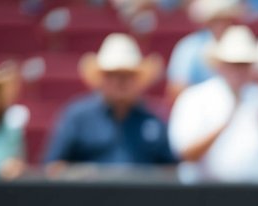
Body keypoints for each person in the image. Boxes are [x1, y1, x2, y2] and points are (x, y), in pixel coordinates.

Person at [169, 25, 258, 182]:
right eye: (232, 63)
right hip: (207, 196)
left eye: (243, 64)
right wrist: (224, 123)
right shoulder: (194, 98)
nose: (238, 70)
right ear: (219, 65)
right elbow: (186, 154)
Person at [43, 34, 174, 169]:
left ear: (138, 79)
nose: (121, 82)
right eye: (113, 75)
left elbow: (170, 171)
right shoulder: (77, 117)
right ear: (101, 78)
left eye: (128, 75)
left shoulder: (155, 118)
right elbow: (53, 167)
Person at [165, 0, 244, 101]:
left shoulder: (240, 44)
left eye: (226, 19)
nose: (222, 24)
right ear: (208, 22)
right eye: (217, 20)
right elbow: (176, 88)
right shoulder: (189, 47)